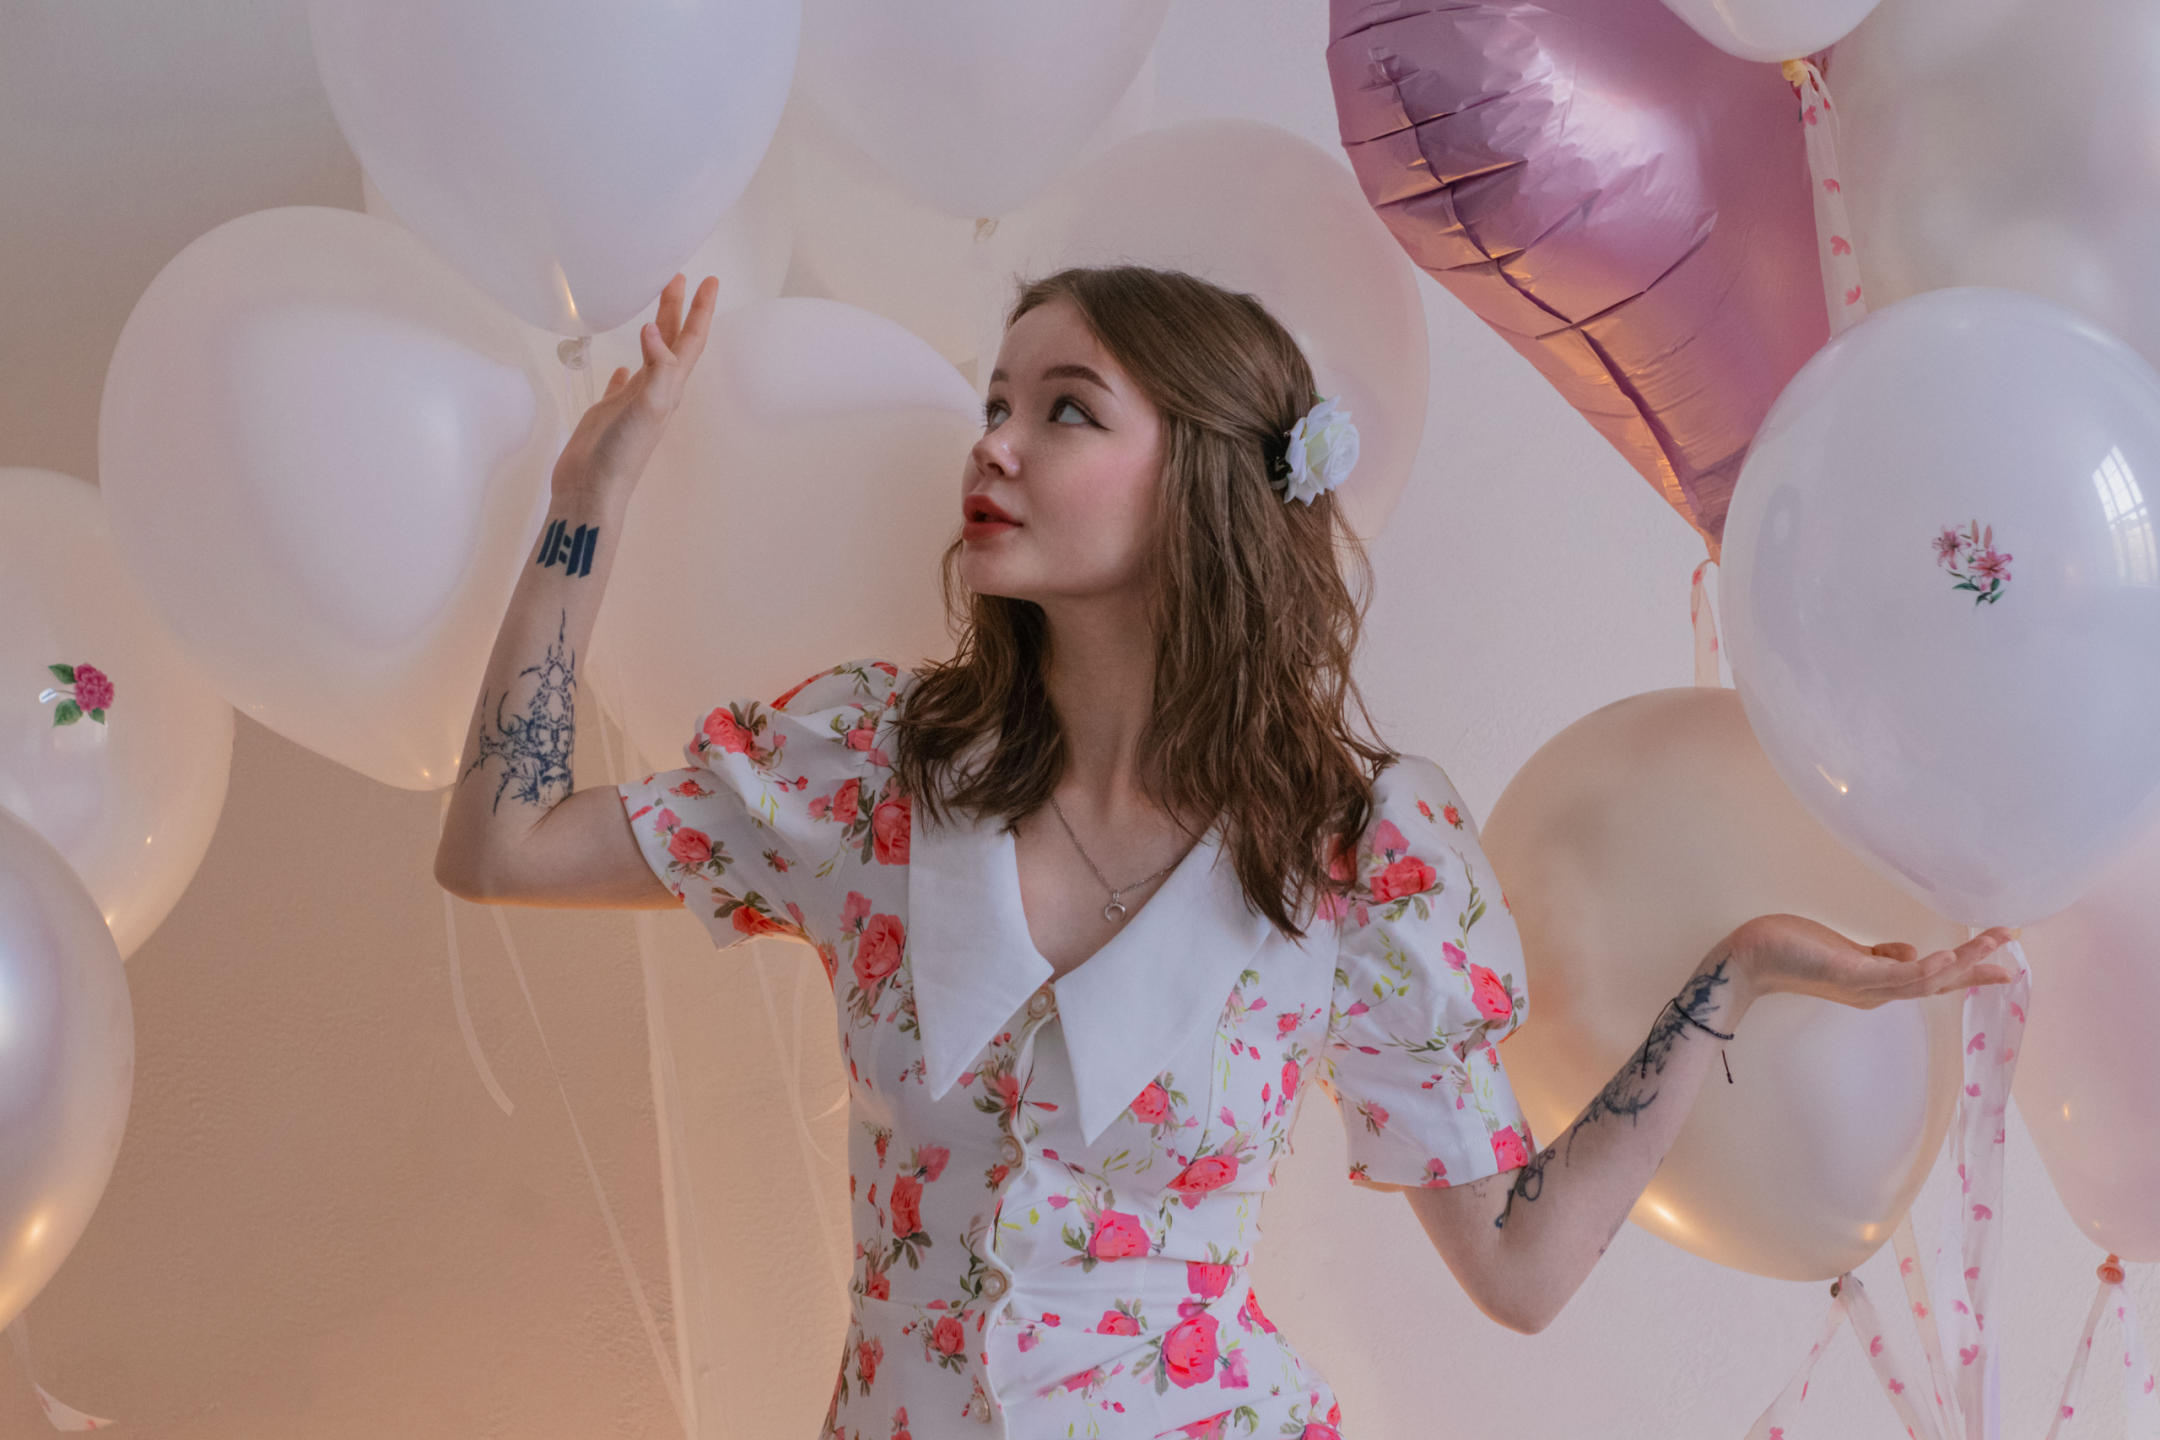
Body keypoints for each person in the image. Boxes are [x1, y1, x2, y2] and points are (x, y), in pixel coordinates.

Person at [434, 265, 2020, 1439]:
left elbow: (1520, 1268)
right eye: (996, 405)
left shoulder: (1359, 860)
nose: (995, 446)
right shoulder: (873, 771)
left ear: (1200, 475)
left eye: (1064, 410)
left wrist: (1734, 975)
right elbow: (501, 844)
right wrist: (588, 501)